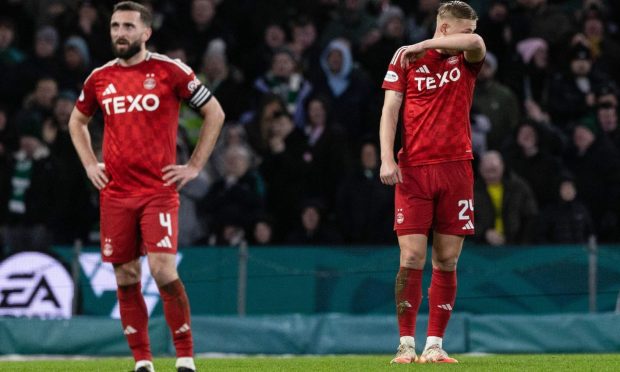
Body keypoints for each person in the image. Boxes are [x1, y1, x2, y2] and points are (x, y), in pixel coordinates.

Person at [67, 2, 225, 372]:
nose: (120, 33)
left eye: (127, 26)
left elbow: (214, 112)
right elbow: (77, 122)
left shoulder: (170, 70)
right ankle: (143, 362)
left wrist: (195, 166)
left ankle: (185, 355)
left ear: (146, 33)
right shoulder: (99, 78)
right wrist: (90, 163)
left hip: (158, 191)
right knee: (125, 276)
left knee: (162, 270)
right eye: (114, 26)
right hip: (116, 193)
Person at [379, 1, 485, 364]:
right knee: (411, 255)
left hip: (457, 167)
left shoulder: (463, 57)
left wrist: (423, 45)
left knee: (447, 259)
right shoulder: (404, 59)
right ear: (445, 27)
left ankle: (435, 344)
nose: (471, 35)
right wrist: (386, 157)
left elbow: (477, 45)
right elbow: (390, 107)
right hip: (415, 169)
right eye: (465, 29)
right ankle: (406, 344)